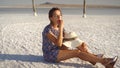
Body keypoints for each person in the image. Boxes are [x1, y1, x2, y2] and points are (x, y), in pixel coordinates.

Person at [42, 7, 118, 68]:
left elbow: (70, 38)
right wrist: (61, 27)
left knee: (80, 46)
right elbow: (58, 44)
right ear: (51, 18)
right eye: (56, 16)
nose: (59, 17)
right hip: (51, 54)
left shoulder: (59, 27)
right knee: (77, 53)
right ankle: (105, 61)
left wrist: (81, 43)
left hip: (59, 49)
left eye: (60, 15)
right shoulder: (47, 30)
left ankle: (94, 59)